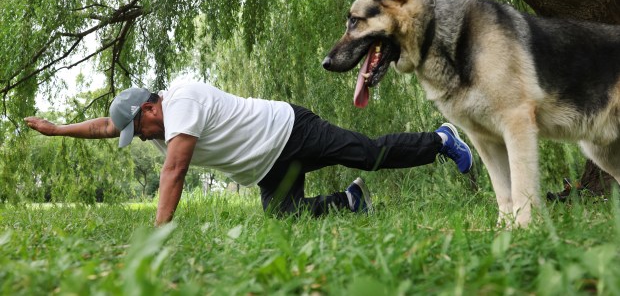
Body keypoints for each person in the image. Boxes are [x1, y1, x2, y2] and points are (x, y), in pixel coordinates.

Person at [24, 80, 473, 225]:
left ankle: (441, 140)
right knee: (284, 216)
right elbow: (106, 125)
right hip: (267, 164)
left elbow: (174, 173)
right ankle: (350, 201)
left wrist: (158, 235)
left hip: (291, 130)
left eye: (137, 129)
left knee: (367, 153)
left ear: (148, 107)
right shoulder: (153, 124)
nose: (139, 138)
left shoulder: (181, 102)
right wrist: (58, 129)